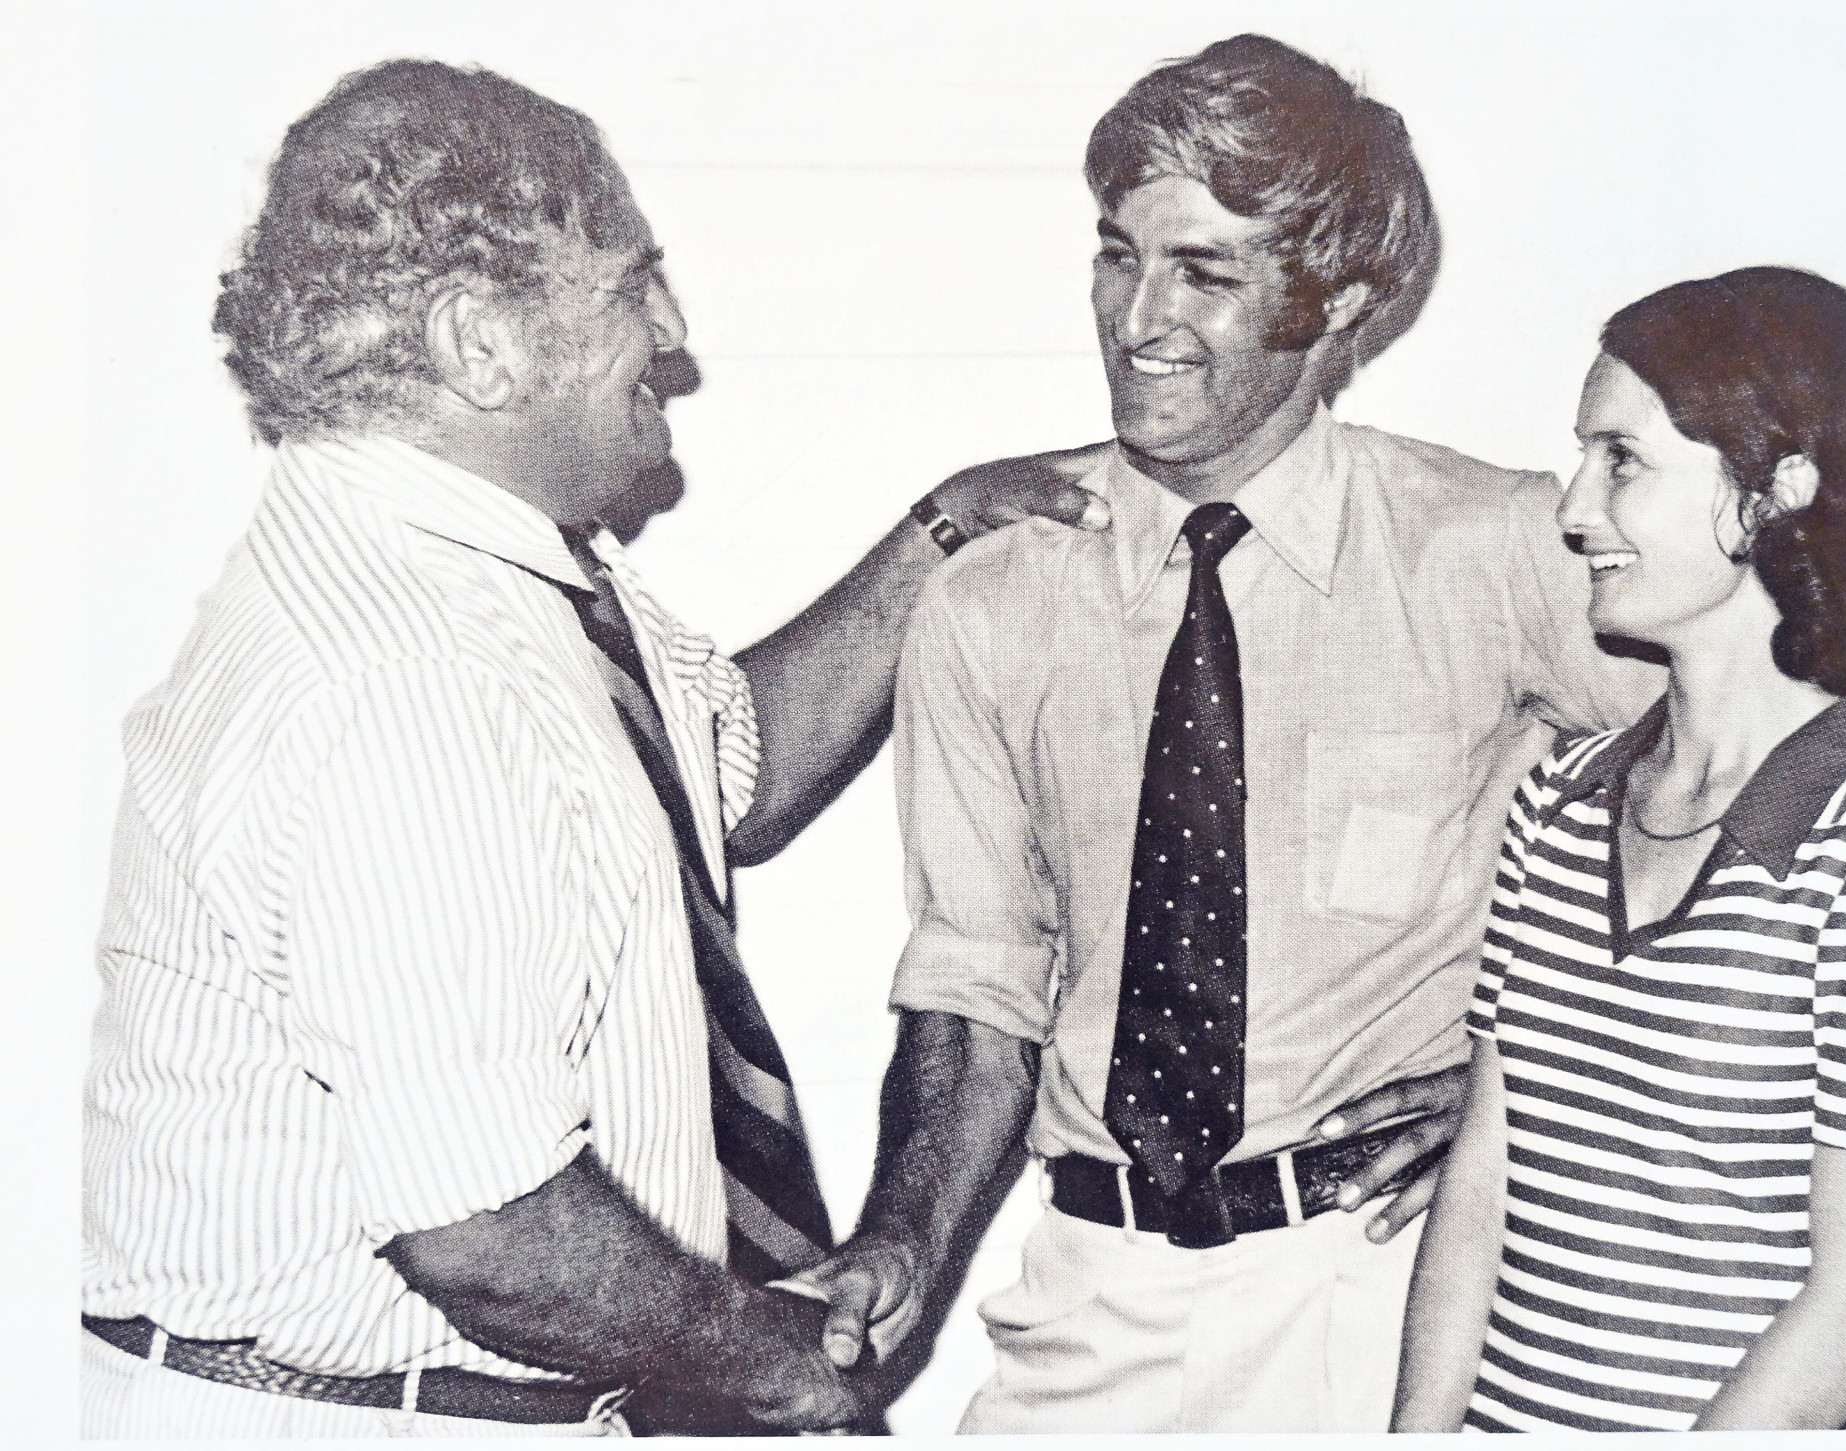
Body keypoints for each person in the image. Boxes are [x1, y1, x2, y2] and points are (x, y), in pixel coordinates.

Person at [78, 59, 1106, 1438]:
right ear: (479, 342)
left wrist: (935, 536)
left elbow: (715, 772)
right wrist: (781, 1362)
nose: (672, 334)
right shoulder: (405, 675)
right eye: (633, 285)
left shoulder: (490, 575)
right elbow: (486, 1224)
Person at [794, 34, 1664, 1434]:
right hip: (1091, 1294)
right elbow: (978, 984)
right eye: (1117, 253)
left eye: (1205, 269)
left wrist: (1534, 1080)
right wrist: (896, 1237)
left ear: (1345, 303)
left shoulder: (1498, 546)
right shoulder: (994, 592)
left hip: (1389, 1290)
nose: (1137, 315)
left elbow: (1788, 771)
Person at [1391, 267, 1846, 1432]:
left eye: (1620, 460)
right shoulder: (1556, 805)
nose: (1574, 508)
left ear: (1776, 492)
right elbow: (1482, 1181)